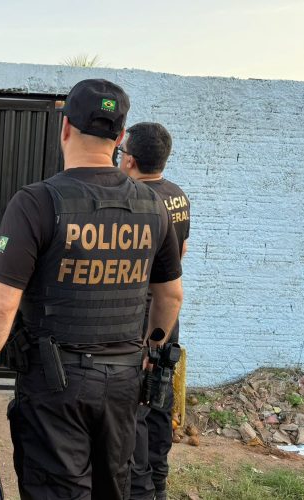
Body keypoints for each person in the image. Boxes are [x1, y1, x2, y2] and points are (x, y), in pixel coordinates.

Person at [0, 79, 184, 499]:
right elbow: (170, 296)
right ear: (119, 138)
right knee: (112, 487)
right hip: (125, 382)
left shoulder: (37, 202)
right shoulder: (155, 207)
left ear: (65, 128)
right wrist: (150, 353)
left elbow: (3, 305)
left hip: (56, 385)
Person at [119, 123, 190, 500]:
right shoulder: (178, 196)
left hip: (144, 312)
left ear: (129, 160)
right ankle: (160, 480)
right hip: (169, 309)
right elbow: (182, 254)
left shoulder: (137, 200)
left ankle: (143, 486)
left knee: (139, 404)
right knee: (160, 393)